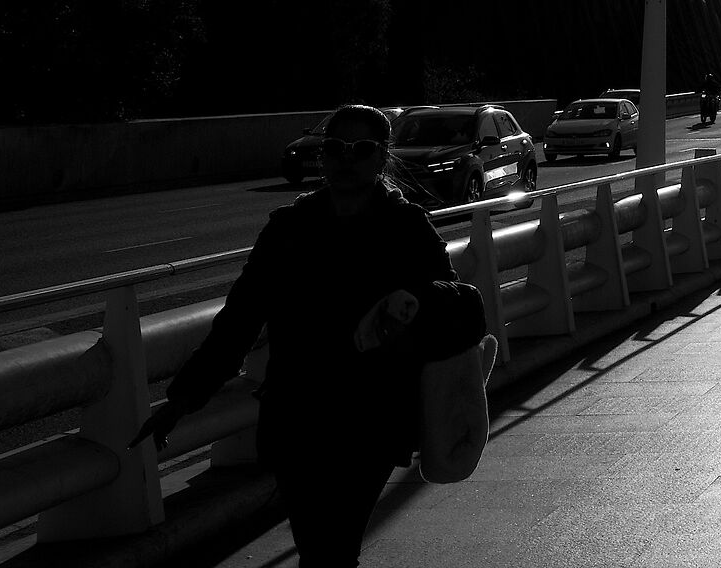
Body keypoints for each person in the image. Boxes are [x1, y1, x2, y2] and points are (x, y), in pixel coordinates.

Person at [134, 104, 482, 568]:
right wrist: (181, 400)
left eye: (362, 149)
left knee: (333, 549)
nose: (346, 158)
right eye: (335, 147)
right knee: (318, 548)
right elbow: (239, 321)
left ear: (383, 157)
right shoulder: (288, 229)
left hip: (371, 417)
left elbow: (463, 307)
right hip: (298, 416)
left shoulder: (406, 227)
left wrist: (414, 300)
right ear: (322, 155)